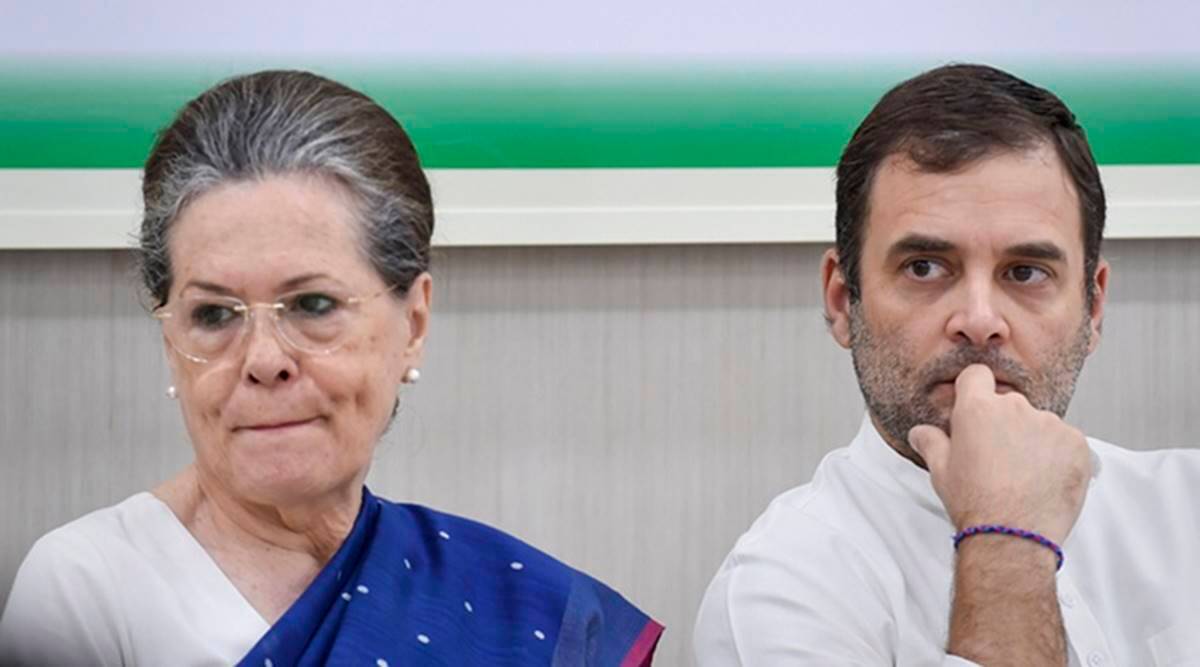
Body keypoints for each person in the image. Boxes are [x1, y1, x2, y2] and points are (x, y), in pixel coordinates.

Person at [0, 70, 662, 666]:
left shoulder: (521, 610)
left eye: (313, 305)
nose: (263, 360)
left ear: (413, 324)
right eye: (215, 314)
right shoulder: (90, 590)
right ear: (170, 338)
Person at [694, 64, 1200, 665]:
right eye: (925, 267)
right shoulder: (781, 589)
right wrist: (1007, 539)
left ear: (1092, 308)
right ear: (842, 299)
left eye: (1026, 272)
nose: (979, 320)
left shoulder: (1185, 508)